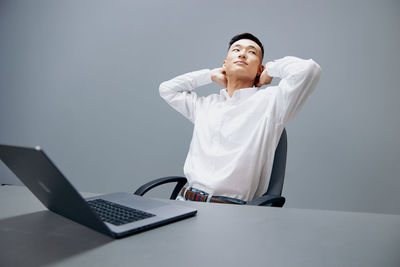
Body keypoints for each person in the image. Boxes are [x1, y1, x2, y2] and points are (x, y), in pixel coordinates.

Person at [159, 33, 321, 204]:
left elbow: (309, 70)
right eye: (236, 50)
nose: (242, 54)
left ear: (259, 69)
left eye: (252, 52)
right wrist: (210, 75)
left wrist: (270, 70)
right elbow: (167, 89)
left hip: (231, 211)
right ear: (225, 64)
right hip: (183, 201)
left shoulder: (272, 103)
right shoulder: (205, 105)